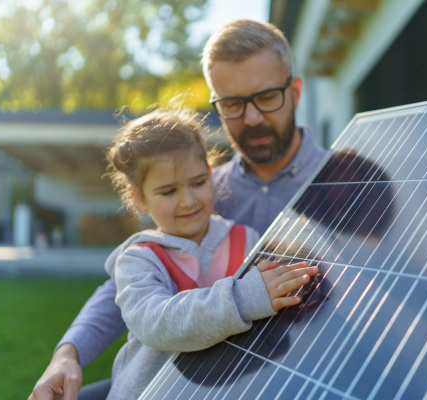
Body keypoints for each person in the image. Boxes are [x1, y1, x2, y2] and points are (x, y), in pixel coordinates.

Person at [28, 19, 427, 400]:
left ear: (295, 91)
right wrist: (67, 353)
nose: (252, 117)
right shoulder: (202, 193)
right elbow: (129, 286)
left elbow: (425, 258)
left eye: (267, 97)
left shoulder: (353, 181)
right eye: (233, 104)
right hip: (190, 379)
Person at [98, 107, 318, 399]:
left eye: (198, 182)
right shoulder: (138, 259)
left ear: (211, 175)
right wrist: (244, 298)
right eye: (168, 191)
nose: (188, 201)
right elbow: (157, 324)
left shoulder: (247, 239)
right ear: (140, 199)